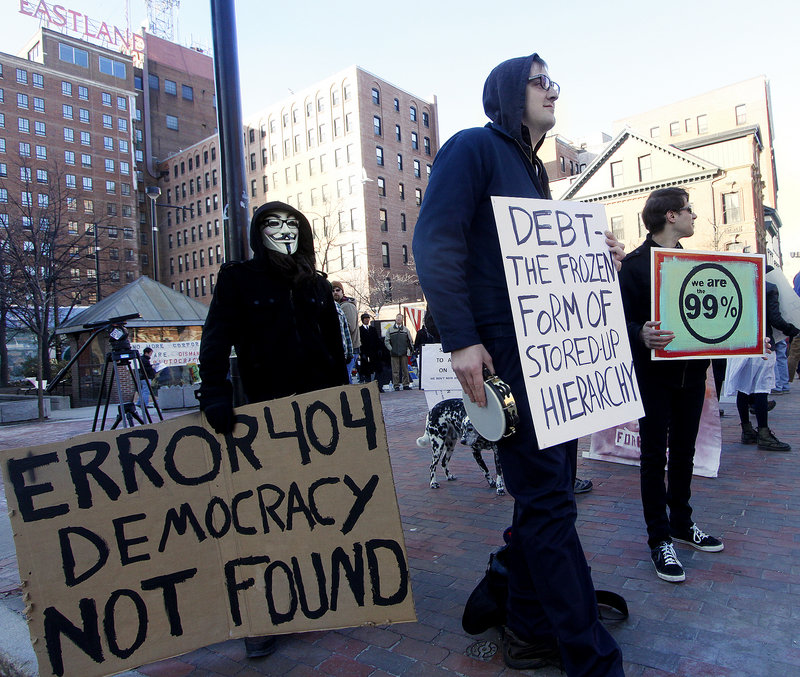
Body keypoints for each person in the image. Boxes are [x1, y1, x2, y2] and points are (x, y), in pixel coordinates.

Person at [413, 53, 623, 675]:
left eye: (553, 81)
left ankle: (523, 619)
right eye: (540, 81)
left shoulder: (535, 175)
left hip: (548, 354)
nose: (552, 90)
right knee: (549, 502)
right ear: (509, 91)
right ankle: (586, 654)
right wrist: (460, 339)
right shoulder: (473, 147)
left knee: (547, 496)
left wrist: (595, 252)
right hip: (507, 354)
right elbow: (436, 238)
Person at [197, 200, 347, 658]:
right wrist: (216, 392)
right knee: (268, 514)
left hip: (319, 415)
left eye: (291, 224)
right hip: (265, 415)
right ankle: (261, 612)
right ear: (257, 233)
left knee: (320, 502)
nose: (283, 231)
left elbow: (334, 348)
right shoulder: (238, 278)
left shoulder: (317, 284)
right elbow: (216, 337)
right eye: (272, 224)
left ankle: (320, 590)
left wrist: (346, 401)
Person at [619, 188, 723, 585]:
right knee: (653, 458)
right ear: (670, 217)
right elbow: (620, 321)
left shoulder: (700, 262)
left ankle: (681, 523)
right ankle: (658, 538)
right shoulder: (634, 266)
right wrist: (638, 333)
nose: (694, 217)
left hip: (693, 373)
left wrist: (750, 335)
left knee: (684, 452)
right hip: (654, 375)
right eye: (689, 211)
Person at [725, 266, 798, 452]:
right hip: (763, 344)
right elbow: (775, 319)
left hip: (740, 344)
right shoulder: (769, 287)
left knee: (743, 389)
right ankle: (764, 434)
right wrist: (792, 330)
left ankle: (747, 431)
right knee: (761, 389)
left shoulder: (735, 286)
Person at [331, 281, 360, 382]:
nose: (335, 292)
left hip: (350, 349)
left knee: (345, 377)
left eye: (338, 290)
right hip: (346, 349)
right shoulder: (338, 306)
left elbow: (349, 327)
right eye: (333, 290)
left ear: (342, 292)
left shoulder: (347, 306)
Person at [385, 314, 413, 390]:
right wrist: (391, 349)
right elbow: (386, 341)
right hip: (394, 354)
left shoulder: (406, 330)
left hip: (404, 353)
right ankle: (396, 385)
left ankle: (406, 384)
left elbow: (410, 341)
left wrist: (410, 350)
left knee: (405, 370)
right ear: (395, 319)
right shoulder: (390, 329)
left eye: (400, 319)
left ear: (402, 320)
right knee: (395, 371)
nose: (398, 320)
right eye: (397, 319)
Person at [358, 313, 382, 382]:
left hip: (374, 353)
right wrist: (362, 353)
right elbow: (360, 342)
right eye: (365, 319)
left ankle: (378, 385)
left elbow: (377, 340)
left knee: (376, 369)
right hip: (365, 353)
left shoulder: (372, 329)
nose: (367, 320)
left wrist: (379, 349)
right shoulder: (360, 330)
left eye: (368, 318)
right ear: (362, 320)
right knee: (366, 370)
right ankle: (367, 383)